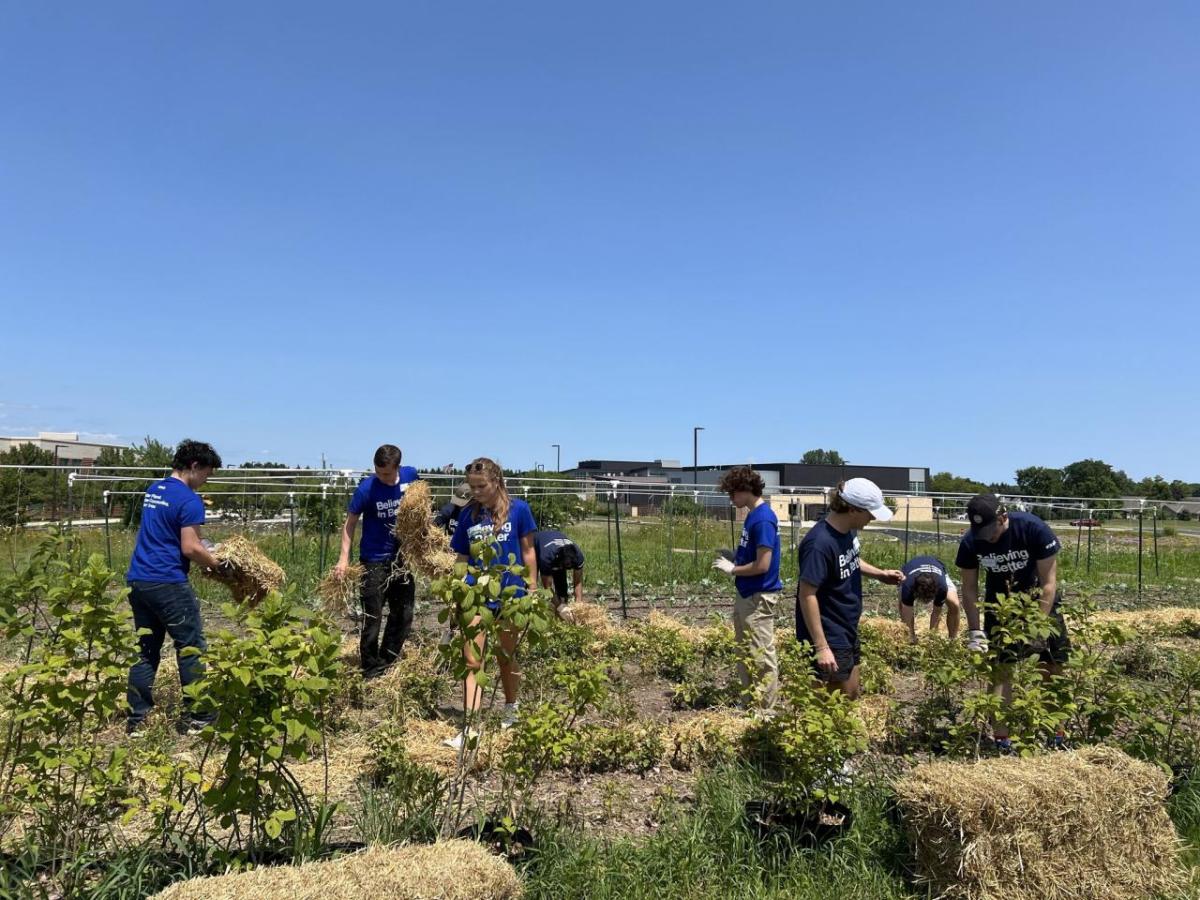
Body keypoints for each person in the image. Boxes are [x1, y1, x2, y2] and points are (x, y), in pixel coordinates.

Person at [955, 493, 1070, 752]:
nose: (987, 537)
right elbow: (970, 589)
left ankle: (1057, 734)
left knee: (1052, 666)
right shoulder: (970, 542)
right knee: (1000, 671)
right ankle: (1002, 740)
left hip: (1040, 603)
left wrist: (1038, 626)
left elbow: (1049, 584)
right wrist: (975, 631)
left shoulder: (1033, 529)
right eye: (980, 531)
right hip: (1000, 608)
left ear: (1002, 517)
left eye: (990, 530)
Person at [125, 439, 224, 735]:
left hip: (139, 579)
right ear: (194, 466)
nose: (206, 481)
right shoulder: (189, 499)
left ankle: (137, 723)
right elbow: (191, 547)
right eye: (206, 473)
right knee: (191, 646)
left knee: (146, 649)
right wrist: (216, 564)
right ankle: (200, 717)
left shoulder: (155, 490)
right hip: (167, 581)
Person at [445, 458, 538, 749]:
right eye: (472, 487)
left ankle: (511, 709)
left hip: (510, 596)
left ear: (496, 481)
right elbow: (461, 558)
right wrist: (456, 592)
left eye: (481, 486)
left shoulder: (519, 510)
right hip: (476, 596)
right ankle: (471, 728)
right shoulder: (467, 516)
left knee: (506, 657)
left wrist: (532, 589)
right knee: (472, 659)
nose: (476, 492)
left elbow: (529, 552)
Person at [796, 478, 905, 700]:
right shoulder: (819, 544)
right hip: (829, 631)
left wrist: (880, 574)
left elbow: (849, 560)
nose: (873, 518)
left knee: (852, 695)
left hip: (846, 626)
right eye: (870, 513)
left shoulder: (846, 532)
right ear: (853, 509)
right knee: (831, 703)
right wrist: (821, 647)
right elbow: (807, 594)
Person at [334, 444, 420, 679]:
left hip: (401, 558)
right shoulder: (366, 489)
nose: (382, 477)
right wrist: (343, 559)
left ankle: (388, 660)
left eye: (387, 473)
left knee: (403, 613)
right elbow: (349, 524)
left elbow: (422, 502)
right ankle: (370, 668)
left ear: (398, 467)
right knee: (373, 616)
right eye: (378, 472)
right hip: (373, 560)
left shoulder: (411, 476)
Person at [711, 467, 782, 710]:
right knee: (745, 652)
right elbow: (754, 555)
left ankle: (765, 712)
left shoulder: (763, 518)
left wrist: (733, 569)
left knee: (761, 655)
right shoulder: (753, 515)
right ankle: (749, 705)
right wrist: (736, 558)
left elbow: (763, 565)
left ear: (745, 490)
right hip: (746, 593)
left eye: (733, 493)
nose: (731, 499)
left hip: (758, 596)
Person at [898, 555, 962, 643]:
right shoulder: (908, 586)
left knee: (955, 604)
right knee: (902, 604)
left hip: (937, 569)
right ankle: (909, 636)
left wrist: (932, 638)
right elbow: (907, 611)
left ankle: (953, 640)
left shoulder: (942, 587)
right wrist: (912, 637)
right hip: (909, 570)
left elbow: (937, 612)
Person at [533, 529, 585, 622]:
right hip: (535, 544)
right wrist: (560, 607)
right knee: (532, 583)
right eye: (564, 566)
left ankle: (562, 616)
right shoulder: (547, 557)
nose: (567, 568)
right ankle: (532, 615)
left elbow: (578, 581)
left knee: (562, 588)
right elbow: (547, 587)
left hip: (556, 543)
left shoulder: (578, 556)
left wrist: (579, 605)